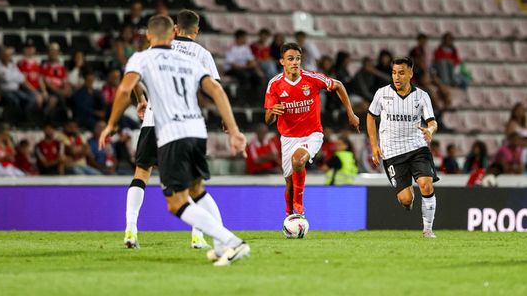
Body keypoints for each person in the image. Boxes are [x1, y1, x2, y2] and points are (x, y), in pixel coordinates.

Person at [99, 14, 250, 267]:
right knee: (196, 190)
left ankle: (233, 242)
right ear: (172, 34)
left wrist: (112, 124)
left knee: (174, 201)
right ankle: (223, 244)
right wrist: (234, 130)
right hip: (195, 129)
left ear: (150, 35)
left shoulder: (143, 56)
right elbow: (216, 89)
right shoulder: (192, 57)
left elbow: (126, 89)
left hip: (167, 130)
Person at [117, 10, 222, 251]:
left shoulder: (158, 49)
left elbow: (133, 77)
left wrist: (141, 99)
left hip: (153, 119)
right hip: (185, 124)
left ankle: (131, 229)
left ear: (175, 28)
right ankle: (198, 237)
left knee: (141, 173)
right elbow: (214, 89)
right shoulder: (201, 54)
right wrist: (227, 121)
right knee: (192, 185)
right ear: (196, 30)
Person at [265, 43, 360, 216]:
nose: (295, 62)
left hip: (312, 134)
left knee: (298, 161)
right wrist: (272, 112)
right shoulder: (274, 84)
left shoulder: (312, 78)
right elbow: (268, 119)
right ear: (282, 62)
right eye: (290, 59)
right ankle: (289, 216)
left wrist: (351, 113)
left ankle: (299, 207)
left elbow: (338, 85)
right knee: (289, 182)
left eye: (298, 59)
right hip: (287, 137)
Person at [366, 57, 439, 238]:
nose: (396, 77)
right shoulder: (382, 94)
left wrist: (430, 130)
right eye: (393, 73)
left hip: (417, 147)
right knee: (406, 199)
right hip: (392, 153)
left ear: (410, 74)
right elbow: (370, 117)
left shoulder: (422, 96)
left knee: (426, 185)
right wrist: (374, 146)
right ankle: (408, 200)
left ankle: (428, 230)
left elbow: (432, 122)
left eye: (401, 73)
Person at [0, 47, 36, 124]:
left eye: (9, 55)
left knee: (28, 99)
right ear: (1, 56)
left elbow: (21, 77)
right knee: (15, 101)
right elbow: (6, 79)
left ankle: (25, 118)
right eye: (6, 55)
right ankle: (15, 120)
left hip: (16, 90)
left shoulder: (12, 64)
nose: (8, 57)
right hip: (5, 90)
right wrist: (15, 77)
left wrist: (12, 77)